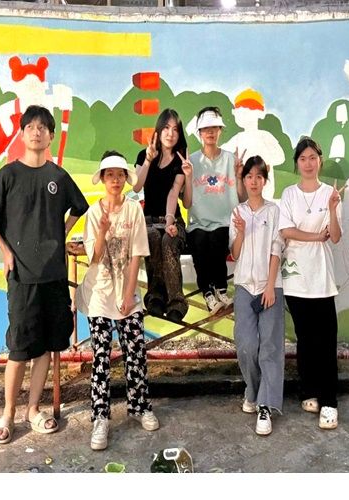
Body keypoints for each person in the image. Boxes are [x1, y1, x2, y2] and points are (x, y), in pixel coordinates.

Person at [0, 105, 89, 445]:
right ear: (22, 134)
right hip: (21, 276)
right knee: (20, 348)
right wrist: (7, 251)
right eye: (31, 127)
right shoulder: (8, 175)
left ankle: (34, 410)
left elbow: (79, 207)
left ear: (51, 135)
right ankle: (8, 413)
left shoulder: (58, 177)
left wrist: (62, 232)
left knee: (46, 348)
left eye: (43, 127)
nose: (37, 132)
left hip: (53, 274)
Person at [76, 151, 159, 451]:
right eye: (109, 175)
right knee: (100, 356)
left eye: (119, 174)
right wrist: (101, 231)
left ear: (126, 178)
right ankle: (101, 417)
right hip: (99, 294)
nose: (115, 180)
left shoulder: (134, 210)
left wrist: (128, 296)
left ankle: (139, 406)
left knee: (135, 352)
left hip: (127, 293)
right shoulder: (93, 213)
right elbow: (95, 257)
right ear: (102, 178)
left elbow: (137, 254)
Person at [278, 137, 344, 430]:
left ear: (320, 161)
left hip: (321, 276)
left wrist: (332, 208)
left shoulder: (331, 193)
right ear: (297, 163)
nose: (308, 163)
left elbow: (336, 237)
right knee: (305, 339)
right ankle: (309, 391)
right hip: (295, 278)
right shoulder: (289, 194)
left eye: (312, 158)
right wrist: (316, 236)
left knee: (326, 339)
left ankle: (330, 402)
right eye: (303, 158)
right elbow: (286, 231)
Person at [230, 156, 285, 436]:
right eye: (249, 176)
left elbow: (277, 248)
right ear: (244, 180)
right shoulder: (237, 212)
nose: (253, 181)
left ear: (265, 180)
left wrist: (271, 285)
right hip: (244, 286)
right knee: (247, 345)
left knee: (270, 348)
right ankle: (252, 392)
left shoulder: (274, 211)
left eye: (258, 177)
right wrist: (240, 233)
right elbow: (235, 253)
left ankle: (265, 406)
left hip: (270, 287)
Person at [182, 106, 247, 314]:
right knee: (200, 241)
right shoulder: (191, 161)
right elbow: (187, 203)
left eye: (215, 128)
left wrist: (239, 175)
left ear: (220, 131)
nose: (210, 132)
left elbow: (243, 198)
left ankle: (221, 289)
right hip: (198, 223)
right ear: (199, 133)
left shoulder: (231, 160)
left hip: (225, 221)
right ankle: (208, 293)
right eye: (206, 129)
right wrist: (188, 177)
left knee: (218, 239)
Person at [132, 109, 191, 323]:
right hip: (148, 222)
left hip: (172, 221)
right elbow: (136, 185)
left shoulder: (180, 160)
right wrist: (149, 160)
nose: (170, 133)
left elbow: (174, 193)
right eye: (166, 128)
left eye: (175, 129)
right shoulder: (144, 154)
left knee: (168, 240)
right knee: (152, 236)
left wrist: (169, 221)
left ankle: (177, 303)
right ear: (158, 130)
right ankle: (155, 296)